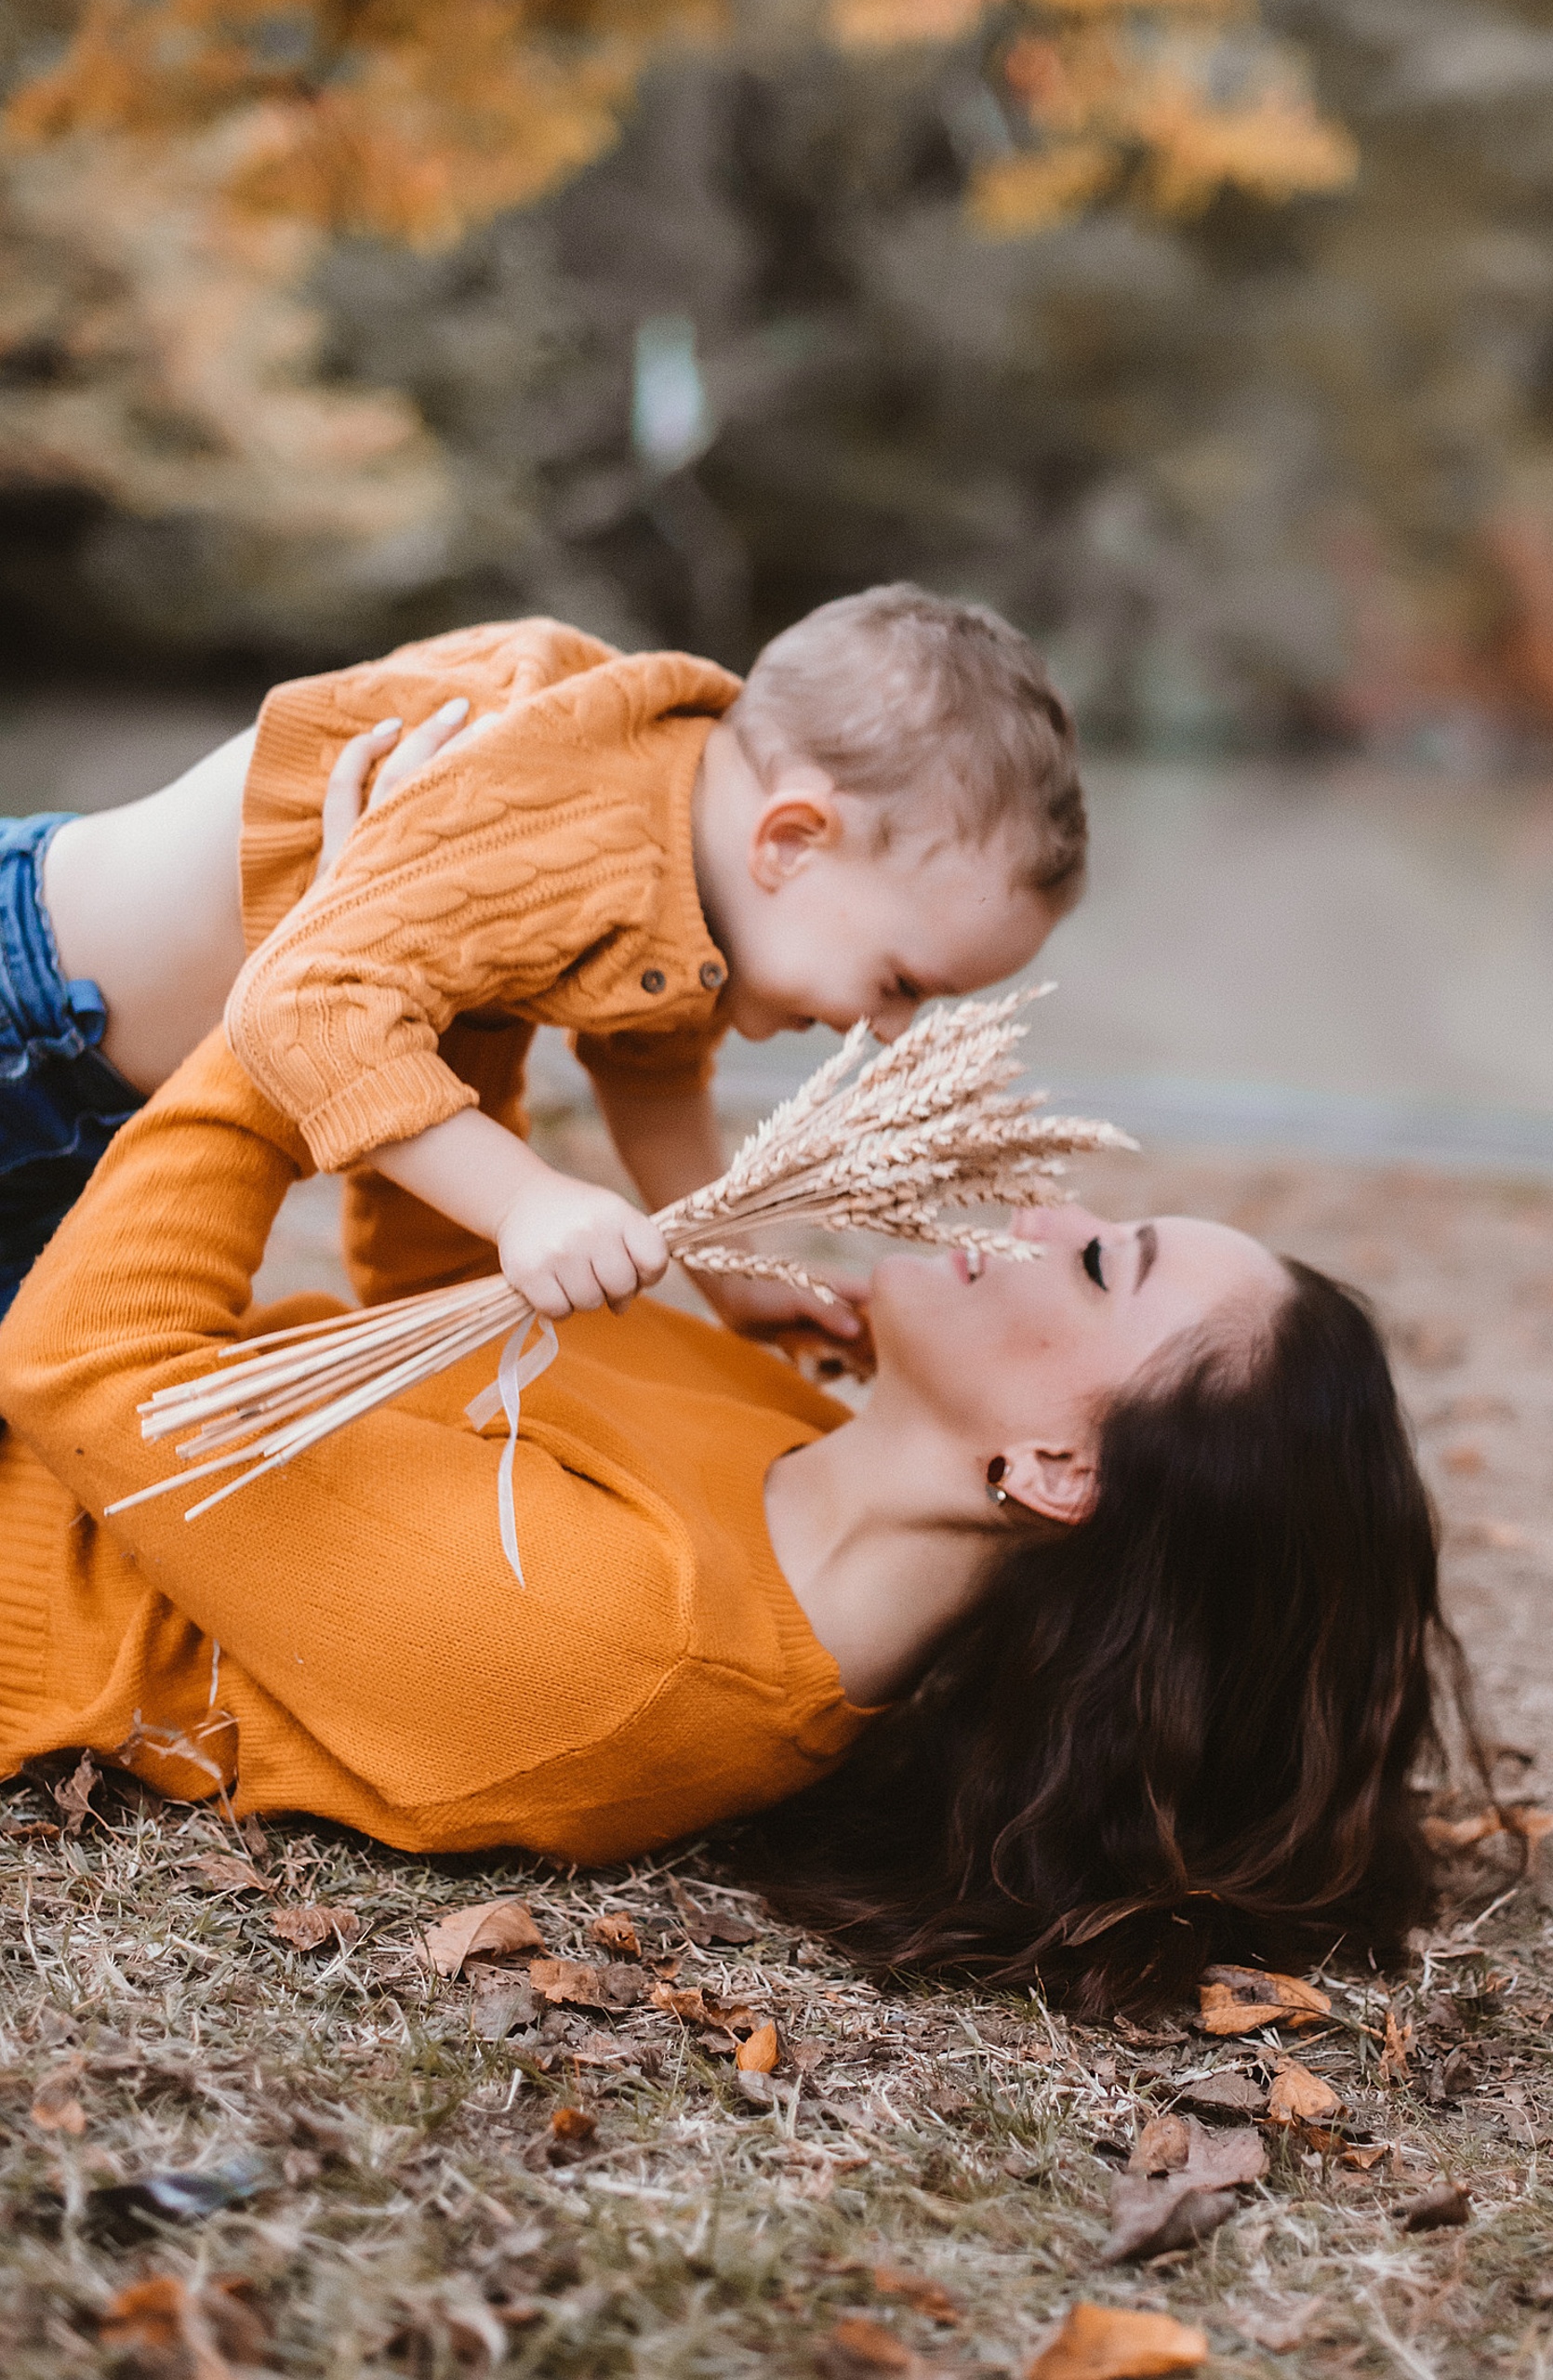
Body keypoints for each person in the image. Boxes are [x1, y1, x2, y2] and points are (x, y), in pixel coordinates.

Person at [0, 1017, 1474, 2015]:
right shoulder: (792, 1429)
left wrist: (299, 1010)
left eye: (1099, 1268)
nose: (1040, 1216)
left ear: (1055, 1469)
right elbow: (435, 1287)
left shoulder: (622, 1652)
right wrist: (478, 969)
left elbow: (91, 1368)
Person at [0, 587, 1085, 1334]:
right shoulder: (575, 816)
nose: (890, 1031)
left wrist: (733, 1279)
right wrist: (526, 1204)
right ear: (791, 841)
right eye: (902, 985)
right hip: (30, 1010)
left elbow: (650, 1074)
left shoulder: (693, 874)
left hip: (102, 1097)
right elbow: (306, 1005)